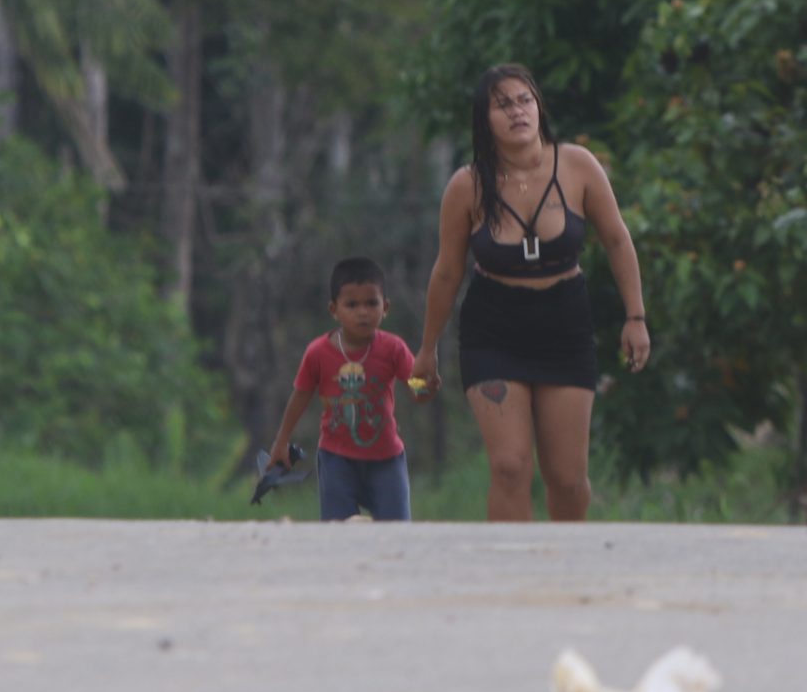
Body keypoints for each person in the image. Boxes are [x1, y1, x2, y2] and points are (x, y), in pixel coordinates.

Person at [417, 64, 652, 522]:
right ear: (484, 120)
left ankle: (567, 570)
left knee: (567, 478)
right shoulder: (467, 186)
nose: (517, 112)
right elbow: (447, 272)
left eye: (524, 100)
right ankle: (511, 571)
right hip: (493, 328)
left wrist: (636, 317)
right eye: (502, 105)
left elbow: (618, 240)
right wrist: (426, 349)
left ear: (539, 107)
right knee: (509, 466)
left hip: (564, 324)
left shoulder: (578, 165)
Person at [266, 258, 423, 522]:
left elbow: (414, 384)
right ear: (334, 310)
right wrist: (282, 441)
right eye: (352, 305)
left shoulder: (393, 349)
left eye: (371, 303)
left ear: (385, 307)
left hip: (386, 459)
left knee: (396, 530)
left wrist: (426, 385)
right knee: (336, 531)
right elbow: (301, 395)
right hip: (337, 459)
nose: (363, 312)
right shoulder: (318, 353)